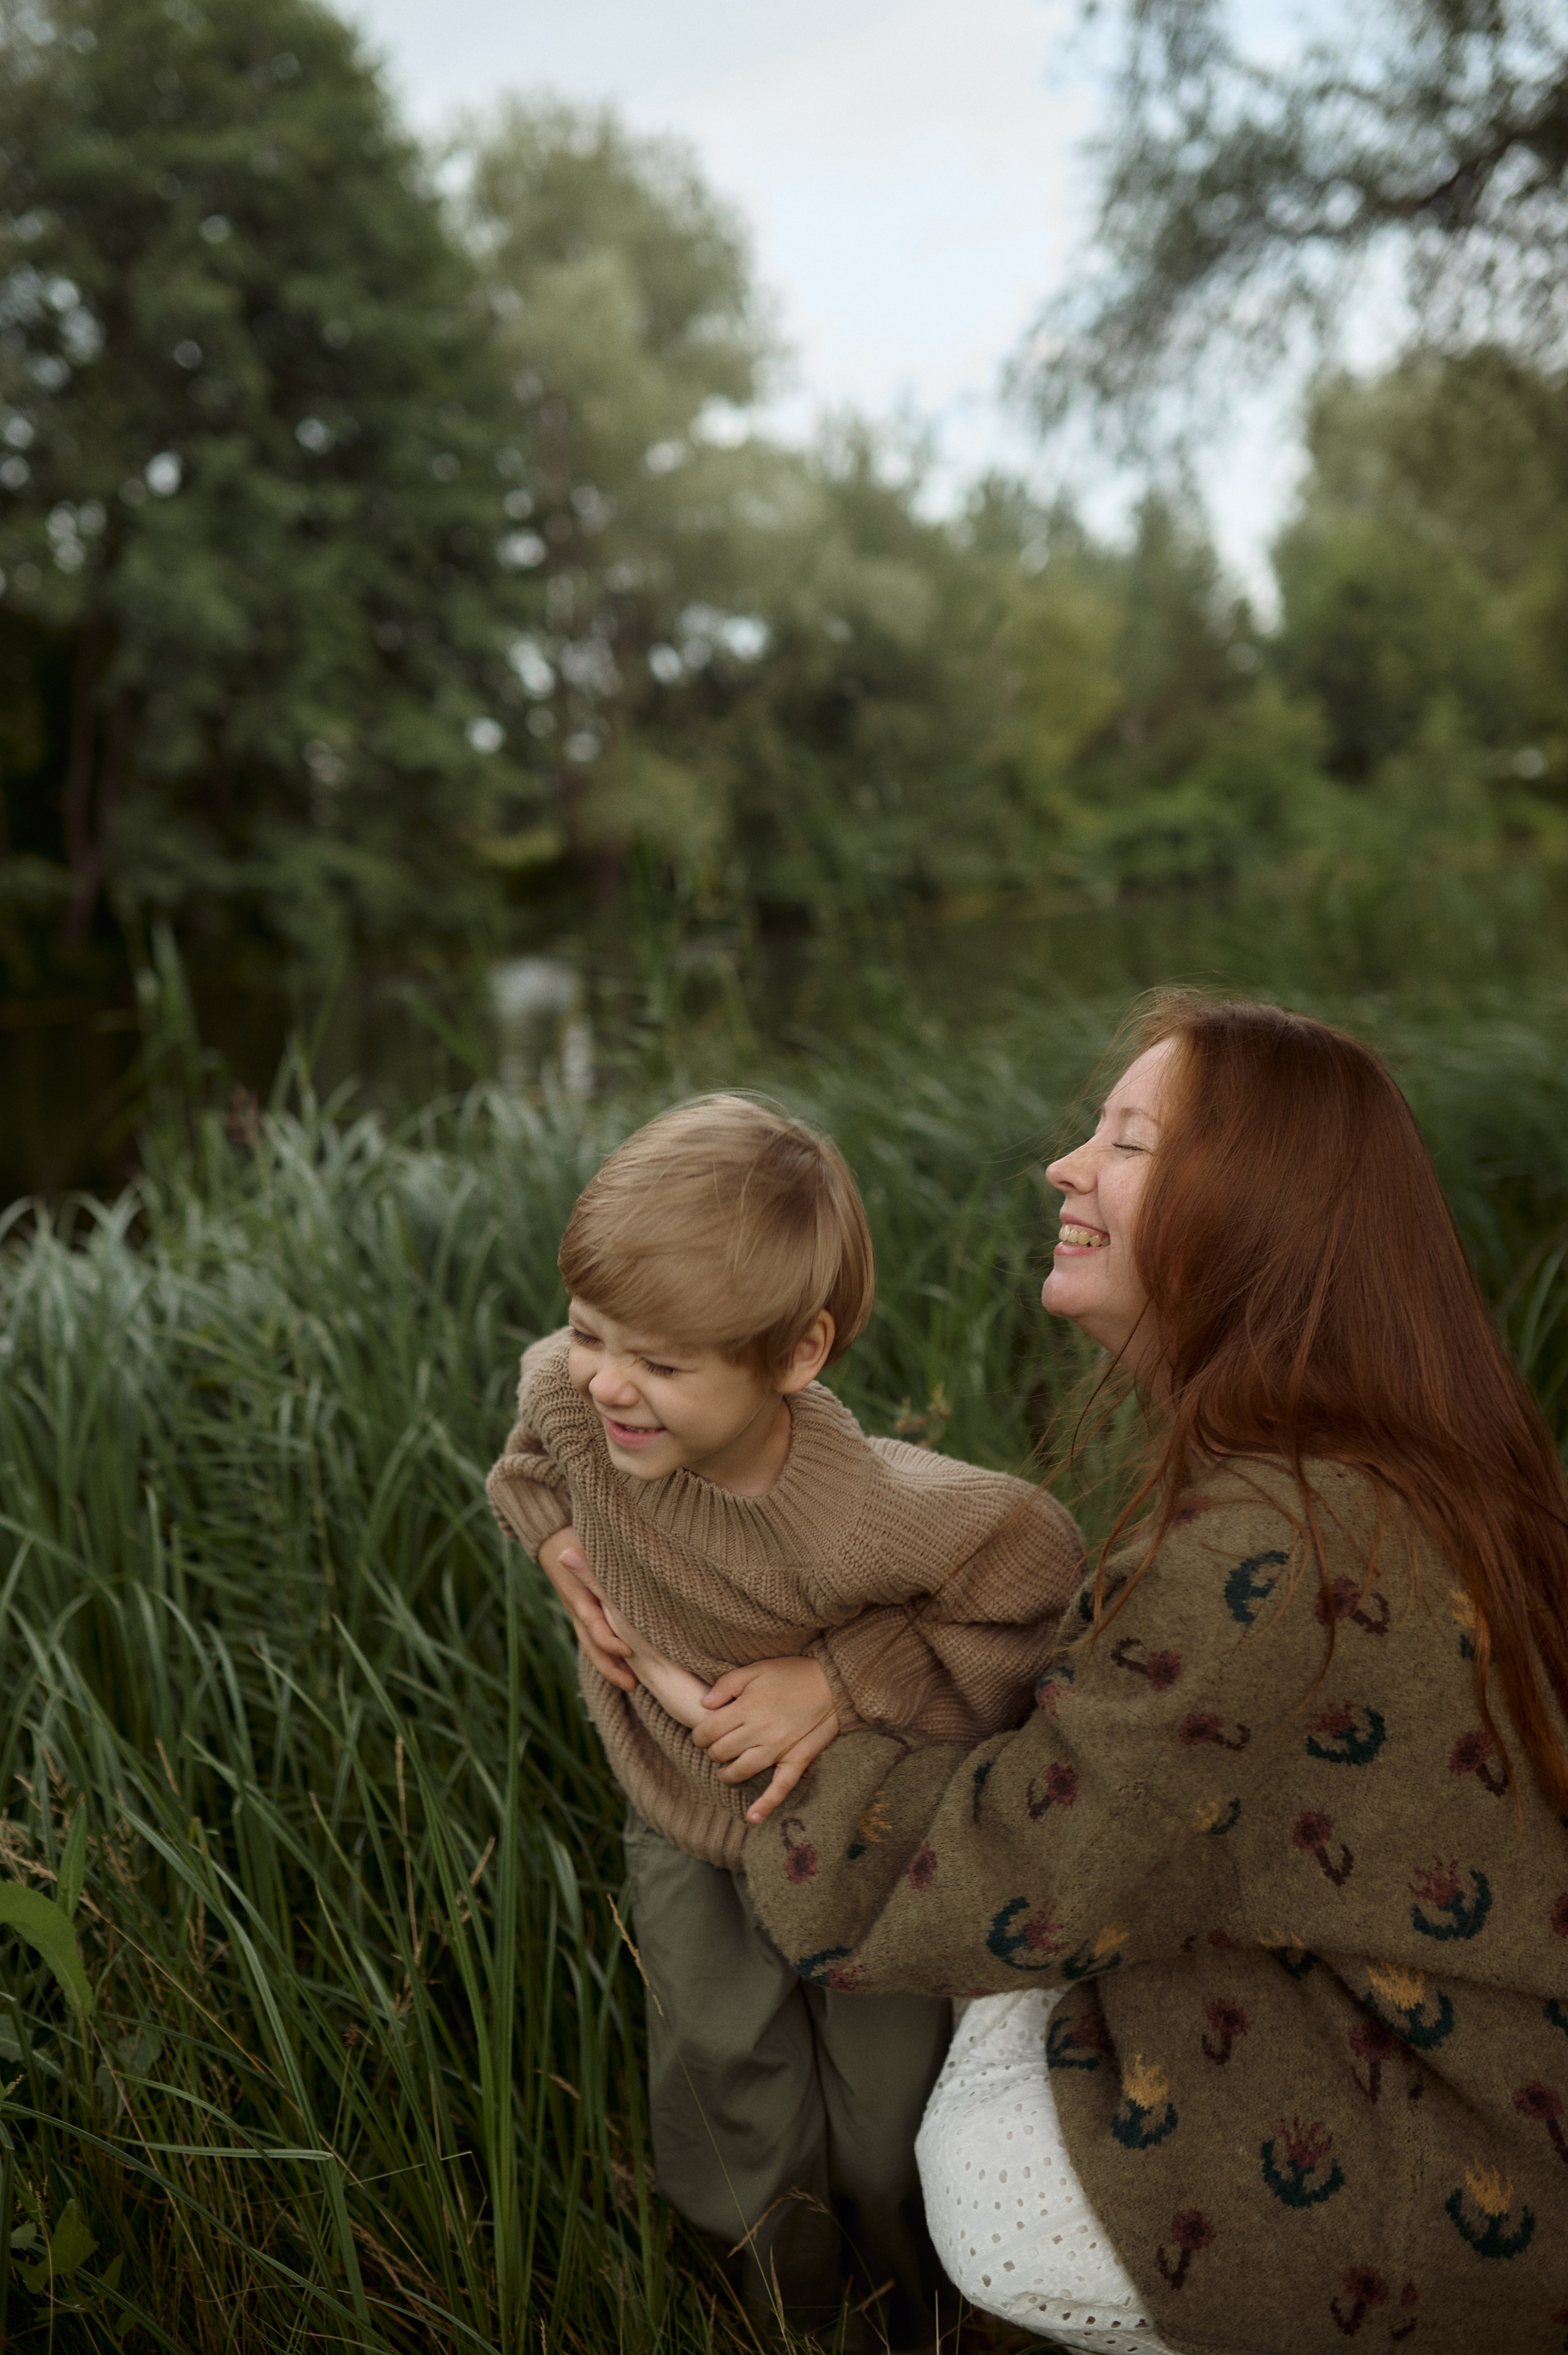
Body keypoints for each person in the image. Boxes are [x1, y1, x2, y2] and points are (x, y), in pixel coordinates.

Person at [737, 996, 1568, 2355]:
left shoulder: (1267, 1538)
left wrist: (800, 1746)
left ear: (1250, 1212)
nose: (1062, 1165)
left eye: (1126, 1140)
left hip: (1460, 2131)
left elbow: (1030, 1870)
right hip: (1499, 2061)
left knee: (993, 2183)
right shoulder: (1369, 1466)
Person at [485, 1094, 1085, 2348]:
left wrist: (838, 1682)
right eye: (595, 1331)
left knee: (883, 2107)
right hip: (683, 1810)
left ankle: (918, 2303)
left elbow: (1031, 1573)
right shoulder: (578, 1396)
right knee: (722, 2074)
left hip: (867, 1829)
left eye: (659, 1361)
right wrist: (552, 1540)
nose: (607, 1380)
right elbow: (533, 1445)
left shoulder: (865, 1510)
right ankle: (779, 2313)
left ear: (796, 1353)